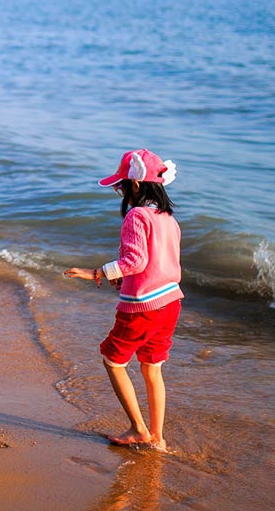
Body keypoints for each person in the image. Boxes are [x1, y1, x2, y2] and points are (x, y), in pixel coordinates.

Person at [65, 149, 182, 450]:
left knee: (113, 360)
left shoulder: (136, 215)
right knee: (151, 367)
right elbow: (159, 263)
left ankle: (138, 429)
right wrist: (124, 276)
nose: (121, 193)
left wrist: (97, 273)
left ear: (137, 186)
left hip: (142, 308)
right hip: (170, 303)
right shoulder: (168, 218)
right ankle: (157, 435)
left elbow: (135, 261)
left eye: (122, 187)